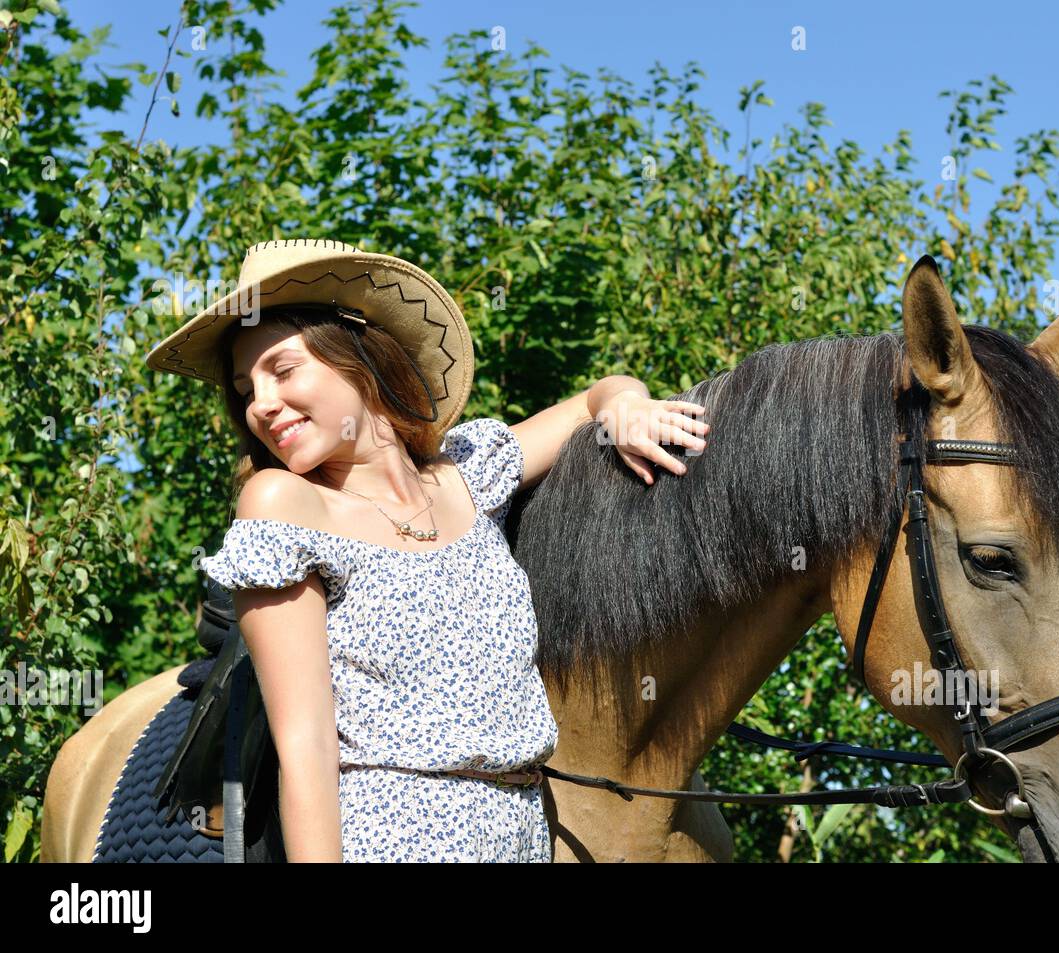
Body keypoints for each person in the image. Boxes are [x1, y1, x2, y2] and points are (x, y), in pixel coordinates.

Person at [145, 239, 709, 861]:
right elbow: (306, 745)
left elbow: (598, 395)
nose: (261, 405)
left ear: (357, 355)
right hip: (396, 834)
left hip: (524, 831)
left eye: (281, 370)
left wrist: (627, 408)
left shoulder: (470, 473)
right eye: (245, 389)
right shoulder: (285, 505)